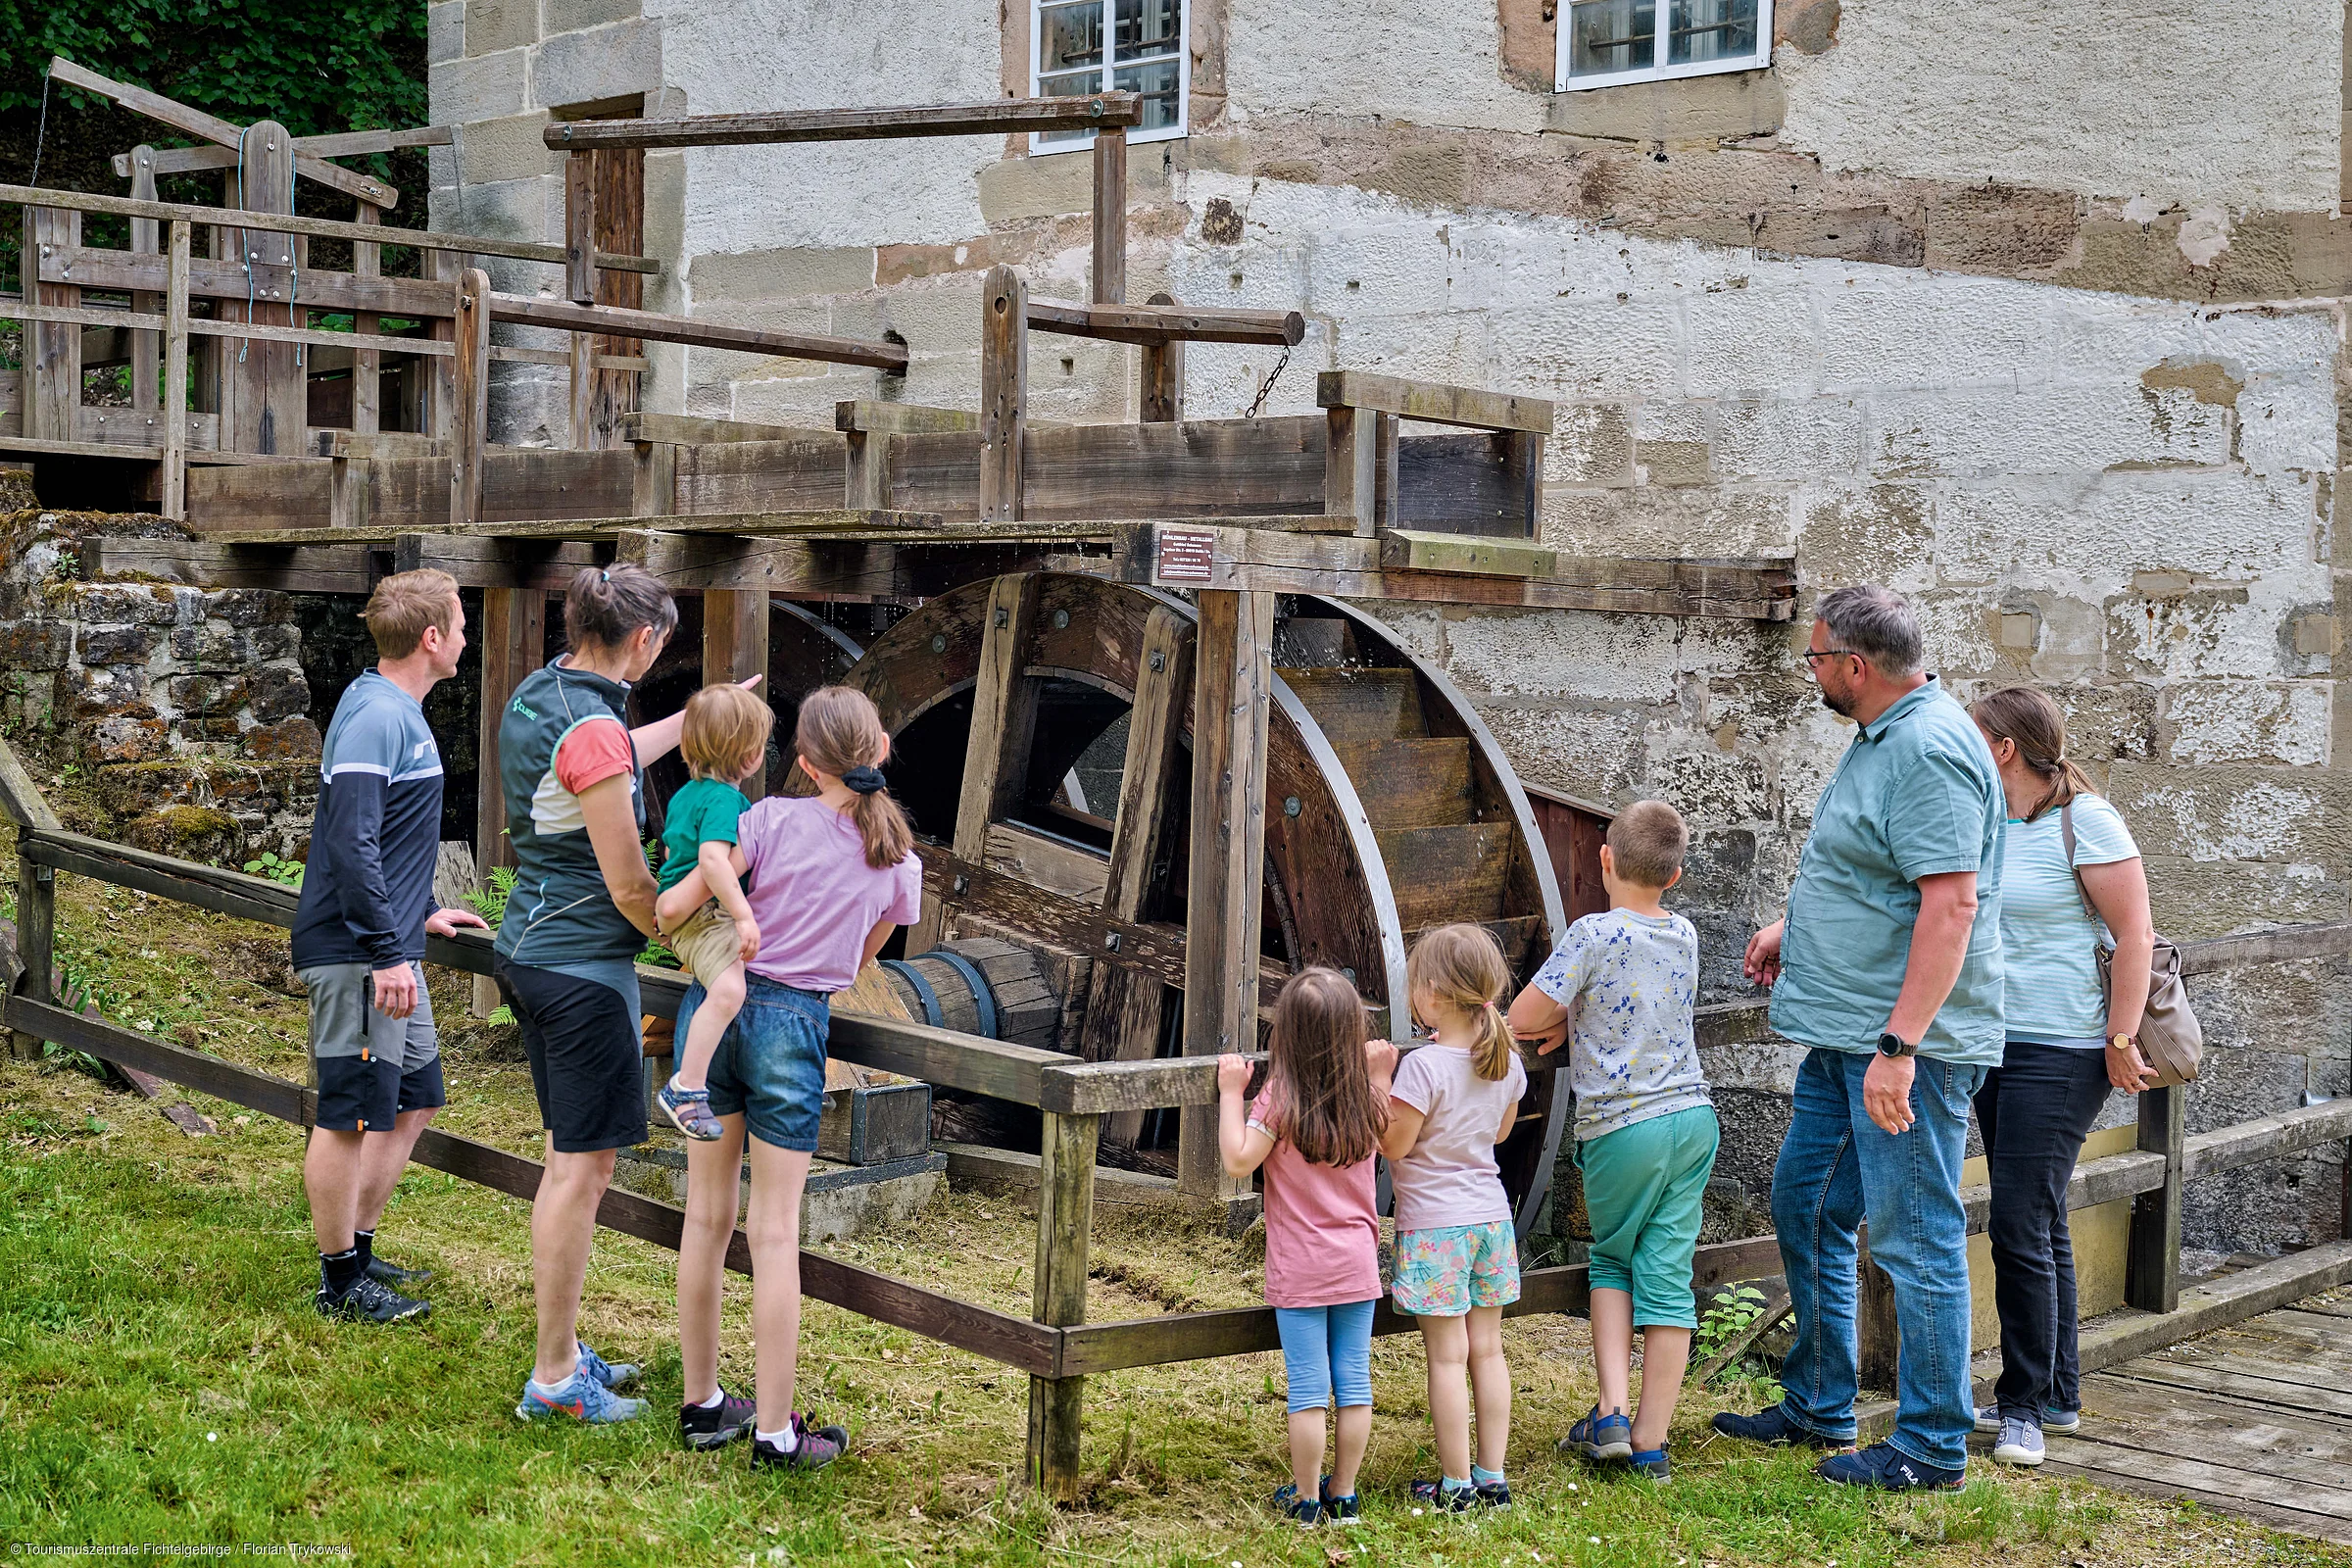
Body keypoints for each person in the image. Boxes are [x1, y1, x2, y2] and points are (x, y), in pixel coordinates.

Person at [1714, 584, 2005, 1492]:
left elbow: (1950, 905)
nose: (1810, 675)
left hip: (1900, 1049)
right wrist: (1791, 931)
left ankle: (1930, 1445)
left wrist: (1900, 1048)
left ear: (1853, 665)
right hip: (1845, 1032)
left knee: (1916, 1238)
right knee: (1807, 1204)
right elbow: (1873, 875)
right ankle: (1820, 1402)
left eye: (1813, 660)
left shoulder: (1926, 750)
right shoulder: (1884, 736)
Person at [496, 564, 737, 1424]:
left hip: (527, 943)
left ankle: (562, 1351)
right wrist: (699, 933)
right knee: (580, 1172)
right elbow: (632, 884)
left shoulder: (539, 692)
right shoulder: (595, 730)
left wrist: (698, 718)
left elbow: (596, 757)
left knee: (570, 1161)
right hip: (580, 968)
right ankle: (555, 1380)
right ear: (644, 641)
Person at [667, 685, 922, 1468]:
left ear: (805, 765)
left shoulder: (767, 819)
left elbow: (703, 888)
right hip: (794, 1024)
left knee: (706, 1218)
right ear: (880, 749)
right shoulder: (898, 861)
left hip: (714, 1010)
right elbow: (864, 957)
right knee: (773, 1234)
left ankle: (704, 1403)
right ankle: (776, 1434)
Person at [290, 567, 490, 1323]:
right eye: (463, 624)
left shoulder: (387, 705)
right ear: (432, 638)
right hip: (358, 953)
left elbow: (390, 841)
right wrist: (385, 952)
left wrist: (426, 909)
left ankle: (359, 1252)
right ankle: (340, 1282)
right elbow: (350, 841)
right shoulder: (380, 717)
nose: (468, 637)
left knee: (414, 1099)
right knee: (347, 1112)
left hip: (390, 942)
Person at [1967, 686, 2155, 1469]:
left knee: (2015, 1220)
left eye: (1976, 737)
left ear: (2005, 748)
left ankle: (2021, 1410)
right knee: (2039, 1219)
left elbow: (2135, 931)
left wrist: (2119, 1035)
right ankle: (2059, 1392)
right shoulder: (1990, 823)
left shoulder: (2089, 822)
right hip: (1992, 1043)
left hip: (2067, 1050)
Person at [1507, 799, 1716, 1483]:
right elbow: (1648, 1007)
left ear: (1604, 859)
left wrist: (1564, 1015)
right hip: (1692, 1120)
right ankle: (1652, 1445)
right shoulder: (1683, 932)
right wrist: (1584, 1018)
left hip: (1626, 1127)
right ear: (1676, 874)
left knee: (1611, 1263)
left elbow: (1522, 1016)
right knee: (1666, 1279)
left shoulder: (1592, 935)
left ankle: (1612, 1414)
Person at [1216, 969, 1397, 1527]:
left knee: (1309, 1388)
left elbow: (1238, 1159)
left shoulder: (1280, 1097)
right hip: (1358, 1265)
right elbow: (1389, 1136)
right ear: (1352, 1032)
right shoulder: (1366, 1097)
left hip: (1300, 1270)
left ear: (1286, 1035)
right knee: (1354, 1379)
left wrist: (1230, 1094)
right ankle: (1343, 1491)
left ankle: (1306, 1498)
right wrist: (1382, 1075)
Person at [1380, 922, 1528, 1512]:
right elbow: (1498, 1132)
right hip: (1491, 1223)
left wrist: (1374, 1083)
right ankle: (1493, 1477)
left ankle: (1456, 1484)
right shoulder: (1505, 1062)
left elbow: (1394, 1146)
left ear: (1435, 991)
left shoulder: (1422, 1068)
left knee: (1446, 1358)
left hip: (1436, 1228)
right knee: (1488, 1352)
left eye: (1415, 985)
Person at [650, 683, 775, 1142]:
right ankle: (687, 1086)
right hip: (706, 916)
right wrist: (742, 915)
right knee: (727, 993)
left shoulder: (688, 794)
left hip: (686, 914)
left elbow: (669, 848)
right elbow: (711, 861)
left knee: (725, 989)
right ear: (748, 757)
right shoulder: (725, 800)